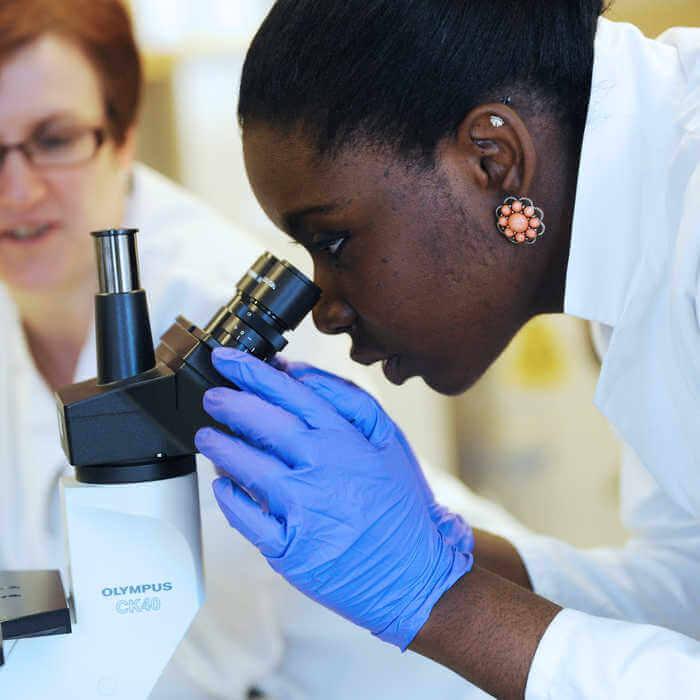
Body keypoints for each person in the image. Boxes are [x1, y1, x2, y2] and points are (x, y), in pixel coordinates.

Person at [0, 0, 528, 697]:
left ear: (124, 133)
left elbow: (190, 661)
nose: (16, 190)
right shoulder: (23, 290)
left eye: (55, 139)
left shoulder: (204, 298)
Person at [194, 1, 700, 698]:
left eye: (334, 242)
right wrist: (428, 548)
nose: (327, 311)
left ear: (492, 159)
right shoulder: (646, 219)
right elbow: (688, 589)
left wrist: (438, 600)